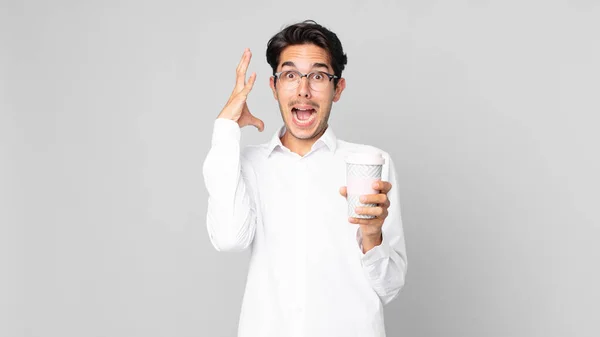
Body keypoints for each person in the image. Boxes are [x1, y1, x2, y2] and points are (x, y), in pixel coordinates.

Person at [202, 20, 407, 337]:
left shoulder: (370, 163)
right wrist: (225, 130)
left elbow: (390, 286)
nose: (303, 89)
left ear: (337, 89)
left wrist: (372, 236)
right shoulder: (249, 164)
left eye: (318, 76)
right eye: (290, 75)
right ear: (274, 87)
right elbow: (229, 238)